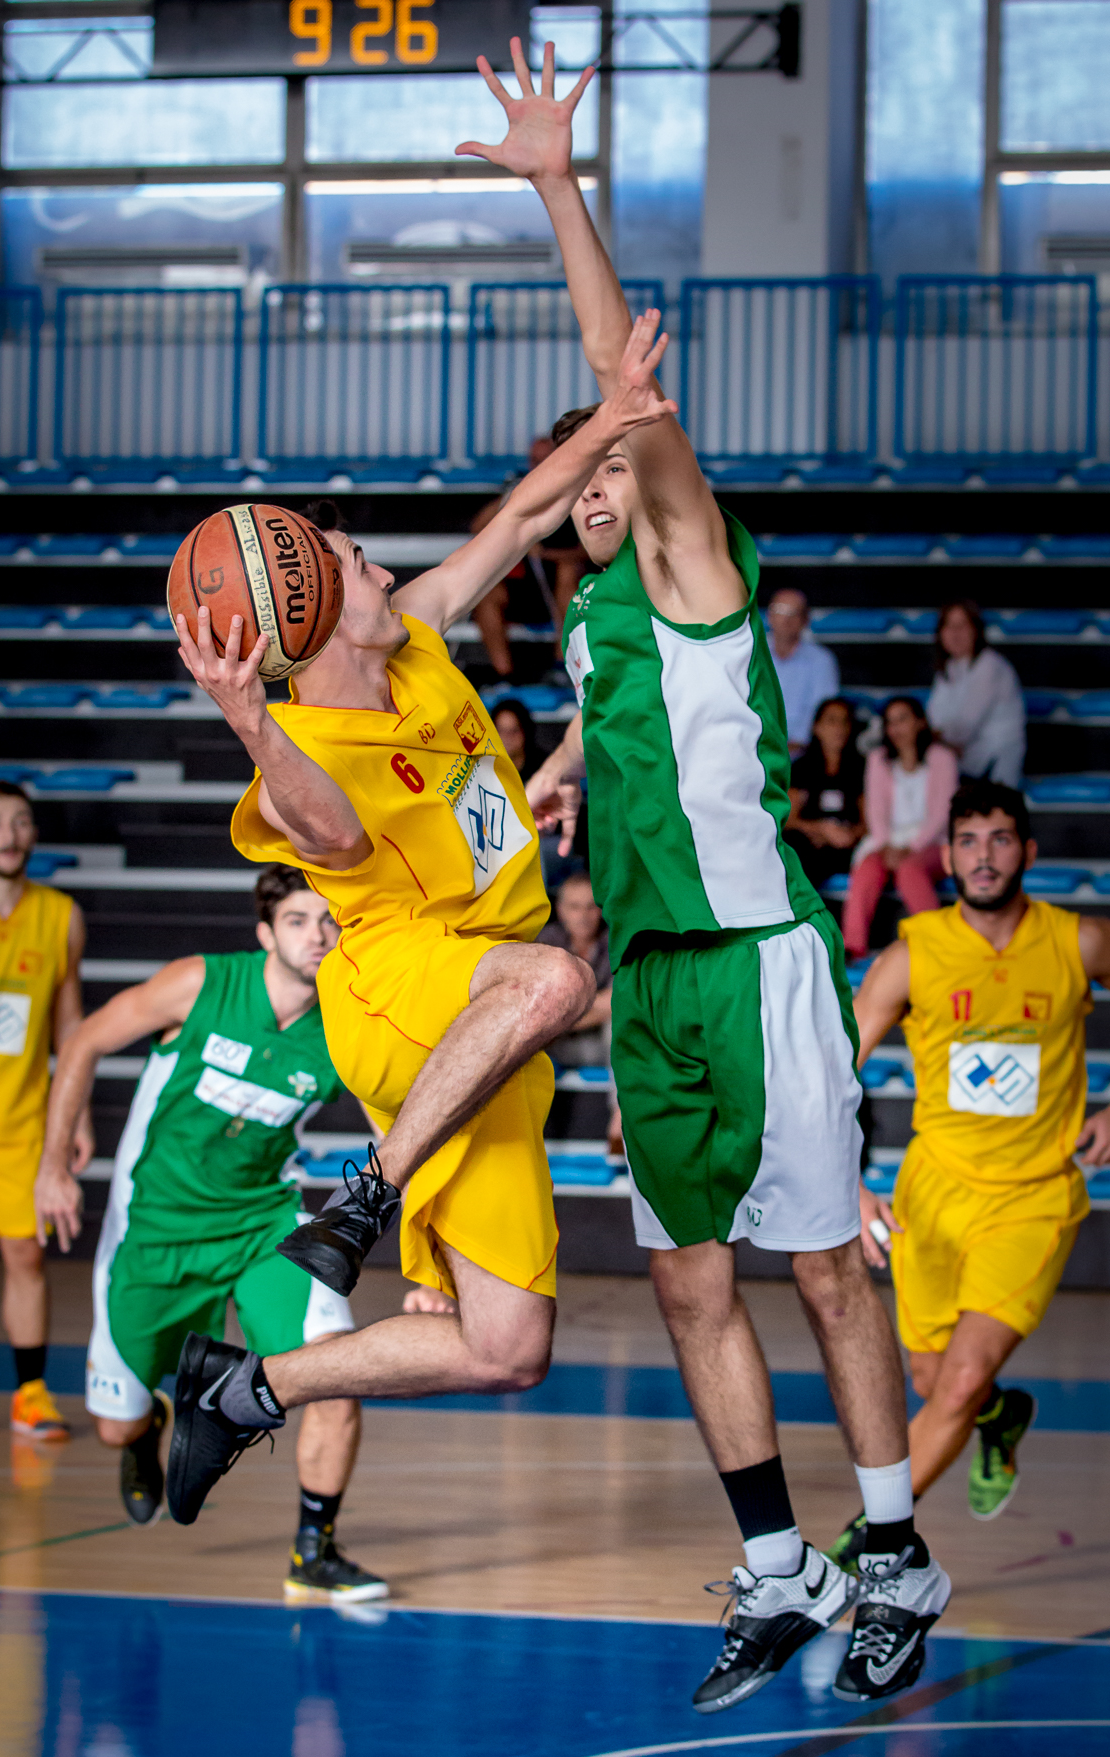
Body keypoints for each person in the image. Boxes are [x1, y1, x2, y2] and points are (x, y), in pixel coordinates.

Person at [463, 38, 949, 1711]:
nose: (600, 490)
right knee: (685, 1289)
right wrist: (551, 773)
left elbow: (623, 374)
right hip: (653, 988)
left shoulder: (686, 552)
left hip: (761, 960)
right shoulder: (592, 630)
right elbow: (620, 740)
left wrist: (552, 185)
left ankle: (892, 1550)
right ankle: (775, 1564)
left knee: (818, 1273)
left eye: (613, 463)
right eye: (580, 471)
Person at [158, 322, 677, 1530]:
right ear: (319, 617)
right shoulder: (305, 748)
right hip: (401, 990)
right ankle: (364, 1197)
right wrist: (249, 721)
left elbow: (514, 524)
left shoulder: (420, 640)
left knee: (506, 1347)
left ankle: (243, 1389)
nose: (387, 572)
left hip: (478, 1019)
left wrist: (611, 414)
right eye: (360, 564)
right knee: (560, 982)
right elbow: (333, 839)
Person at [33, 866, 382, 1601]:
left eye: (329, 919)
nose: (317, 935)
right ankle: (148, 1425)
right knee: (110, 1426)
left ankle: (312, 1551)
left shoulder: (348, 1023)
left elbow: (398, 1137)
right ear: (265, 933)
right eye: (297, 919)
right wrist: (52, 1166)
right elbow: (88, 1039)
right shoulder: (200, 984)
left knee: (336, 1376)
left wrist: (436, 1268)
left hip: (264, 1224)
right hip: (154, 1231)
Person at [834, 781, 1110, 1560]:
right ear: (946, 857)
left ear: (1028, 852)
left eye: (1000, 839)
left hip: (1033, 1199)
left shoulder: (1083, 942)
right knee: (939, 1385)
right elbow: (835, 1073)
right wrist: (850, 1176)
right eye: (968, 841)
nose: (983, 856)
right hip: (930, 1197)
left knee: (960, 1379)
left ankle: (870, 1543)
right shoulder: (912, 955)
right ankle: (1001, 1420)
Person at [0, 780, 88, 1444]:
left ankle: (29, 1395)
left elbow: (70, 1021)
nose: (9, 834)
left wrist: (75, 1117)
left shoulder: (60, 915)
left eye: (20, 822)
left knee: (26, 1256)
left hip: (20, 1121)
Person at [841, 696, 958, 960]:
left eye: (903, 719)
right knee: (867, 868)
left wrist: (910, 848)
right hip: (887, 840)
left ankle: (936, 943)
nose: (896, 728)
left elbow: (942, 813)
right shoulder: (878, 759)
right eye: (890, 722)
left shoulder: (942, 758)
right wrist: (886, 845)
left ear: (920, 722)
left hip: (933, 841)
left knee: (910, 869)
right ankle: (853, 945)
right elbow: (876, 809)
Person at [469, 437, 590, 676]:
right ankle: (504, 675)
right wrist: (511, 500)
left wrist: (545, 554)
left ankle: (560, 666)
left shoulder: (577, 496)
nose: (540, 466)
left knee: (567, 574)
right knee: (488, 594)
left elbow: (588, 552)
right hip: (524, 588)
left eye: (546, 459)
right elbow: (477, 527)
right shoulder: (520, 495)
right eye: (535, 461)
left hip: (563, 590)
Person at [927, 601, 1025, 787]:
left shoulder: (990, 665)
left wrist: (938, 738)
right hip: (964, 763)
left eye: (962, 626)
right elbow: (935, 718)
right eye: (949, 626)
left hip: (994, 765)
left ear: (976, 630)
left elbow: (964, 727)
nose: (955, 633)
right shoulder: (948, 669)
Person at [784, 697, 866, 891]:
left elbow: (868, 822)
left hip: (845, 844)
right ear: (817, 727)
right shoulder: (802, 768)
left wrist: (848, 835)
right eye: (831, 720)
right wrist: (820, 829)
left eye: (844, 721)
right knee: (795, 847)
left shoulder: (861, 768)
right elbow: (788, 819)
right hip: (809, 841)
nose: (839, 727)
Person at [537, 871, 611, 1066]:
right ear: (560, 909)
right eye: (574, 907)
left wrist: (563, 1014)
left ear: (601, 910)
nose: (583, 916)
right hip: (550, 1043)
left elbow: (616, 1002)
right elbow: (539, 1009)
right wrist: (597, 1006)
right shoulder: (545, 941)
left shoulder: (613, 941)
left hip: (602, 1042)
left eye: (590, 907)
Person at [765, 589, 840, 754]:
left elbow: (824, 712)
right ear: (769, 616)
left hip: (805, 753)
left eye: (794, 612)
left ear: (805, 619)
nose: (786, 619)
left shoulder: (822, 660)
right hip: (755, 749)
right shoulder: (751, 655)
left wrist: (795, 745)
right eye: (780, 611)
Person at [491, 696, 545, 784]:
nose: (507, 737)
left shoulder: (544, 767)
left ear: (525, 732)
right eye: (501, 731)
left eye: (514, 731)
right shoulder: (482, 768)